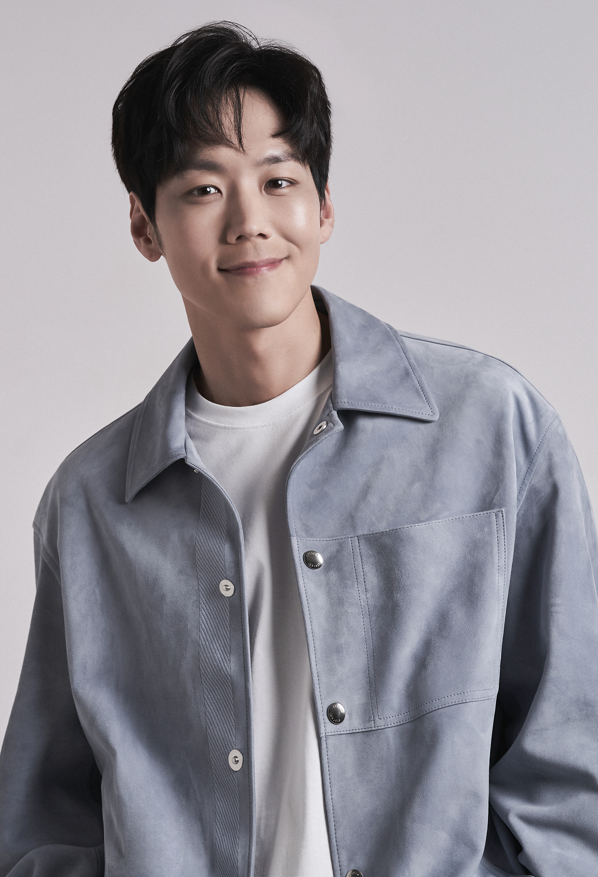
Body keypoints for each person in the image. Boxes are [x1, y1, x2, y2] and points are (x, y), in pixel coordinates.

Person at [0, 19, 597, 877]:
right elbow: (45, 814)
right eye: (203, 188)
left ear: (323, 208)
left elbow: (571, 757)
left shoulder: (491, 427)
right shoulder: (92, 501)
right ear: (144, 225)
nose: (249, 221)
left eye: (278, 180)